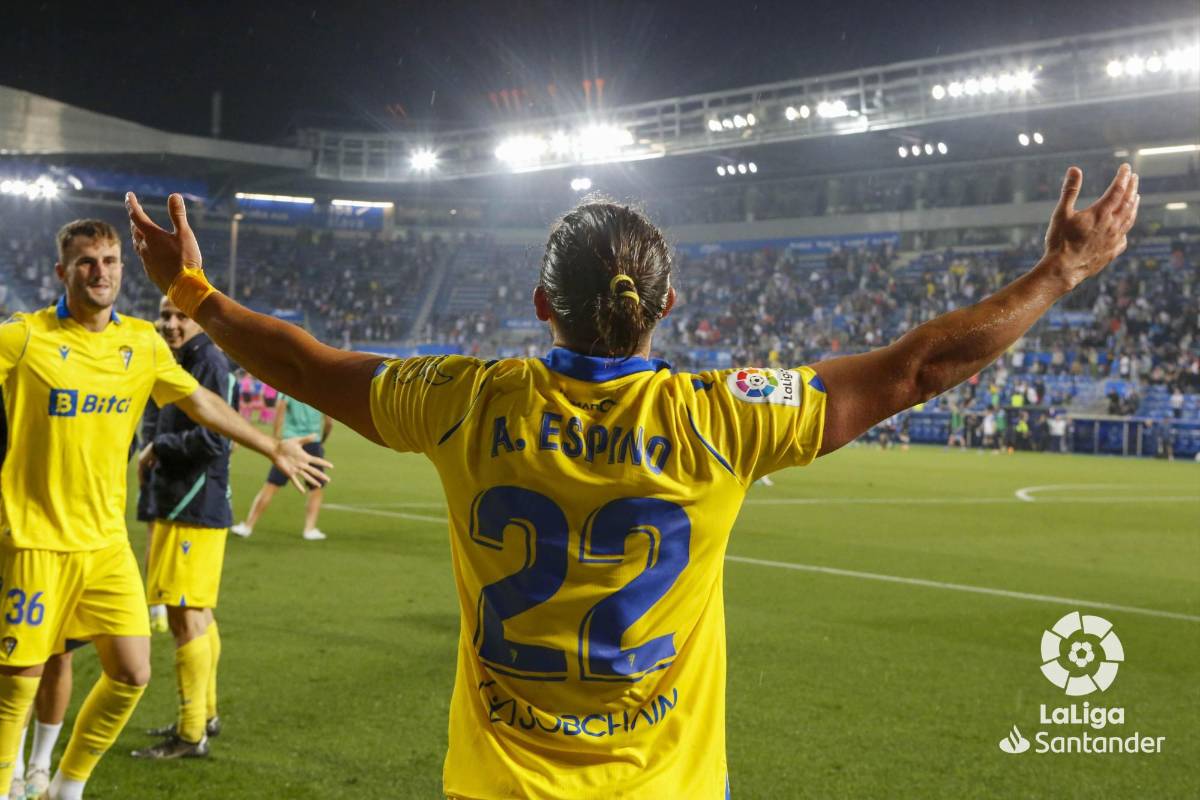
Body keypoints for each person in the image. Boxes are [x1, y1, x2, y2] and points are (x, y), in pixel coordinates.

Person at [126, 162, 1137, 799]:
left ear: (538, 303)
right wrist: (1060, 273)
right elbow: (917, 367)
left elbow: (304, 365)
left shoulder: (464, 400)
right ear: (669, 304)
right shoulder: (721, 416)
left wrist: (191, 288)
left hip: (497, 781)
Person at [0, 219, 331, 800]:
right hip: (33, 542)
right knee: (17, 685)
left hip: (105, 546)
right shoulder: (25, 337)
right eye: (85, 262)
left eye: (108, 260)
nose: (99, 272)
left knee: (131, 672)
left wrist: (272, 444)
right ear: (62, 272)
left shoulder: (142, 344)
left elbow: (200, 401)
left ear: (122, 270)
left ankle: (64, 787)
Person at [131, 296, 236, 760]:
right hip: (184, 502)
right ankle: (204, 715)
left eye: (181, 316)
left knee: (184, 616)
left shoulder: (208, 361)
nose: (170, 323)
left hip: (194, 504)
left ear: (200, 322)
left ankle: (192, 733)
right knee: (197, 612)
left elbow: (215, 437)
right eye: (166, 315)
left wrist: (159, 447)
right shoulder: (183, 358)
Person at [231, 392, 333, 541]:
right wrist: (322, 439)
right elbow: (329, 422)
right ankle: (309, 529)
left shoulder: (289, 388)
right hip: (313, 442)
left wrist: (275, 438)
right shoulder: (320, 392)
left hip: (290, 443)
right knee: (316, 487)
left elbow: (280, 410)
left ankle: (248, 526)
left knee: (271, 485)